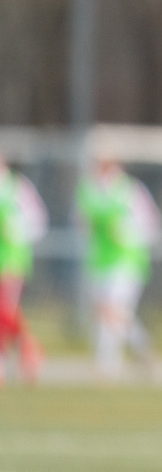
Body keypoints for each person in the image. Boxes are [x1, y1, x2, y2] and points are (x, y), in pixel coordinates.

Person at [76, 157, 162, 380]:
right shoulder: (90, 191)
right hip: (99, 260)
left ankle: (107, 365)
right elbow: (81, 223)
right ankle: (141, 342)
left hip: (127, 260)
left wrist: (126, 232)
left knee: (112, 309)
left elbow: (152, 226)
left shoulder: (130, 191)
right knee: (106, 312)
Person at [0, 155, 48, 385]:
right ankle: (29, 347)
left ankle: (23, 352)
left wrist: (17, 229)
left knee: (5, 311)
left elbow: (37, 222)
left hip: (11, 259)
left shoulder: (17, 189)